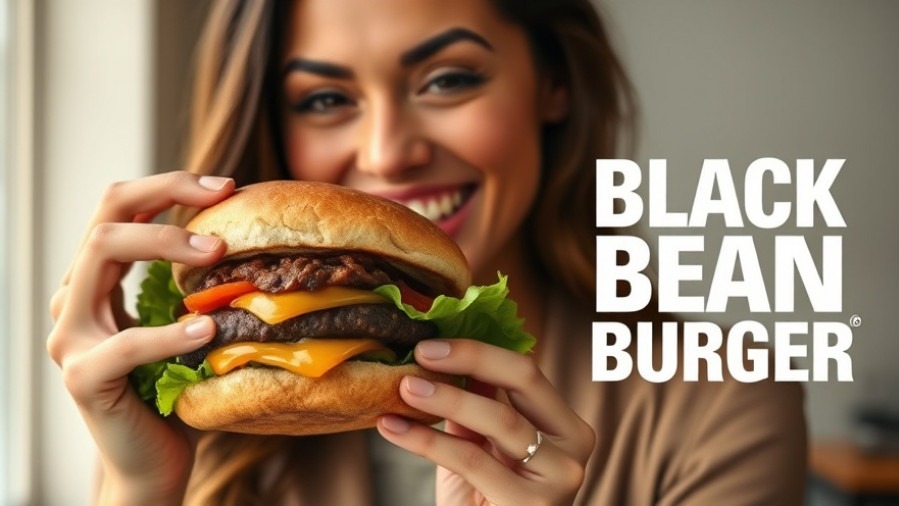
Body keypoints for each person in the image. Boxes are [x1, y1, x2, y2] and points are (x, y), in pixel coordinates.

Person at [46, 0, 808, 504]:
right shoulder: (203, 419)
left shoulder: (717, 398)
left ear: (553, 84)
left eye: (448, 79)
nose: (388, 153)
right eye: (324, 99)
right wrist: (135, 486)